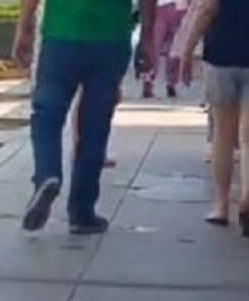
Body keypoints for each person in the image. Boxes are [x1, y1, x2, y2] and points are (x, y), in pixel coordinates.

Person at [13, 0, 157, 235]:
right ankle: (82, 212)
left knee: (47, 113)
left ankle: (47, 175)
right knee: (96, 124)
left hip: (61, 35)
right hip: (111, 38)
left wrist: (23, 27)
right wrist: (147, 38)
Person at [180, 0, 249, 234]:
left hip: (222, 55)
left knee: (223, 135)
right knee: (248, 137)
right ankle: (247, 196)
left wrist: (186, 51)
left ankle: (221, 205)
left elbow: (207, 7)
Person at [144, 0, 189, 97]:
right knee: (156, 44)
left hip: (179, 8)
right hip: (164, 7)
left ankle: (170, 82)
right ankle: (150, 78)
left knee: (174, 46)